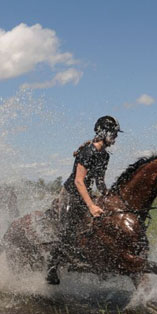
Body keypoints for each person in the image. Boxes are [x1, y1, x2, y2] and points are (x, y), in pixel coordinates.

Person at [46, 115, 121, 285]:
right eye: (114, 133)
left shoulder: (105, 156)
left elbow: (100, 181)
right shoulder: (88, 152)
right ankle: (51, 269)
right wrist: (91, 206)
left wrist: (108, 196)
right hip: (71, 194)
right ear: (104, 132)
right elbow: (78, 181)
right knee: (66, 230)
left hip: (85, 194)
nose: (116, 137)